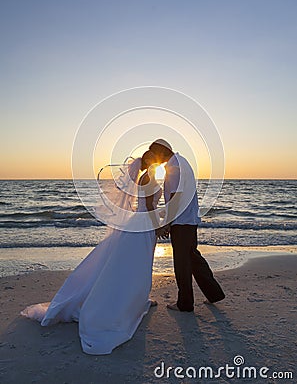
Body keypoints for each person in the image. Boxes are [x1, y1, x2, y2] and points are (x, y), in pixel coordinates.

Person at [21, 151, 161, 355]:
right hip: (143, 224)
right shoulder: (148, 177)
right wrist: (159, 226)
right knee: (136, 265)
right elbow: (149, 206)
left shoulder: (145, 177)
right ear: (151, 161)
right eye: (158, 159)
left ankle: (138, 300)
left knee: (132, 265)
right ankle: (126, 303)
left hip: (140, 224)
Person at [149, 139, 225, 312]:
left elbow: (176, 196)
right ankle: (214, 293)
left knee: (182, 263)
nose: (154, 159)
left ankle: (185, 303)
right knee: (193, 258)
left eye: (154, 155)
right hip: (189, 219)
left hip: (182, 222)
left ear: (161, 153)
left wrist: (167, 222)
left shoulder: (173, 167)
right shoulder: (181, 161)